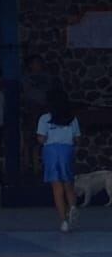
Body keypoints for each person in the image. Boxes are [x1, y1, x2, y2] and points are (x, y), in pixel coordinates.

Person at [38, 88, 81, 233]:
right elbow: (77, 138)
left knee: (57, 188)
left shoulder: (45, 118)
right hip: (67, 151)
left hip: (51, 152)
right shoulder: (72, 119)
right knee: (69, 184)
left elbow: (41, 138)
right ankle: (73, 206)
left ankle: (63, 221)